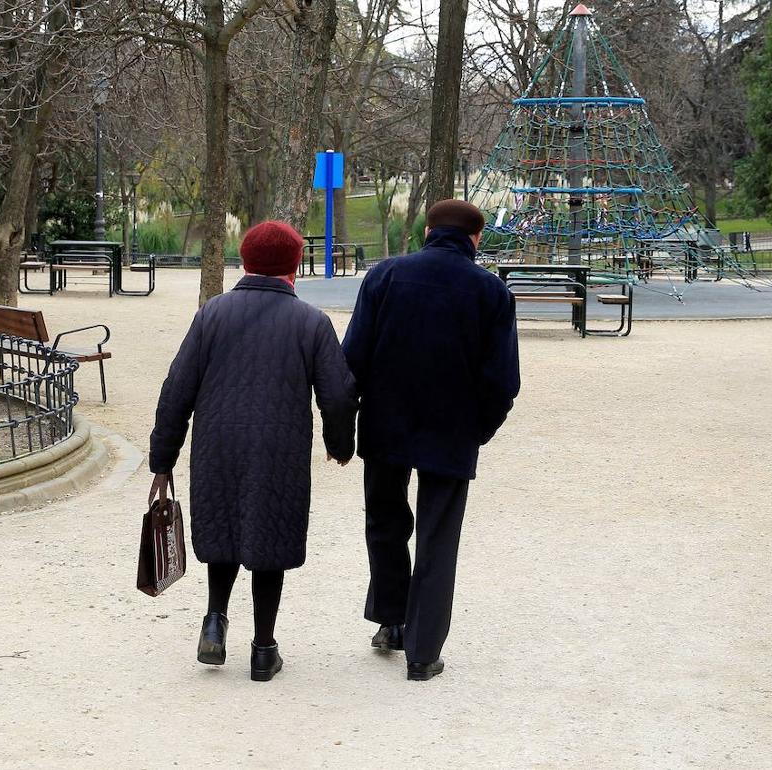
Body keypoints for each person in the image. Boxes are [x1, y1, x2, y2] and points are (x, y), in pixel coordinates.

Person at [148, 220, 357, 682]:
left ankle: (215, 621)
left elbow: (176, 388)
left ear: (244, 260)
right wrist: (340, 445)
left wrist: (162, 458)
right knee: (270, 537)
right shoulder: (311, 322)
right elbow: (339, 395)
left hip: (217, 440)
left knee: (222, 528)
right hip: (278, 444)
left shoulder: (212, 314)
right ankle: (264, 649)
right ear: (295, 267)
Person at [343, 198, 521, 681]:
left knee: (384, 523)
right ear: (476, 239)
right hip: (452, 430)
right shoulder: (491, 292)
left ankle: (390, 621)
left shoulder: (384, 276)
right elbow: (504, 381)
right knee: (438, 539)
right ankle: (423, 652)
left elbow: (352, 358)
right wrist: (476, 430)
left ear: (427, 232)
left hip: (386, 424)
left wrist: (345, 423)